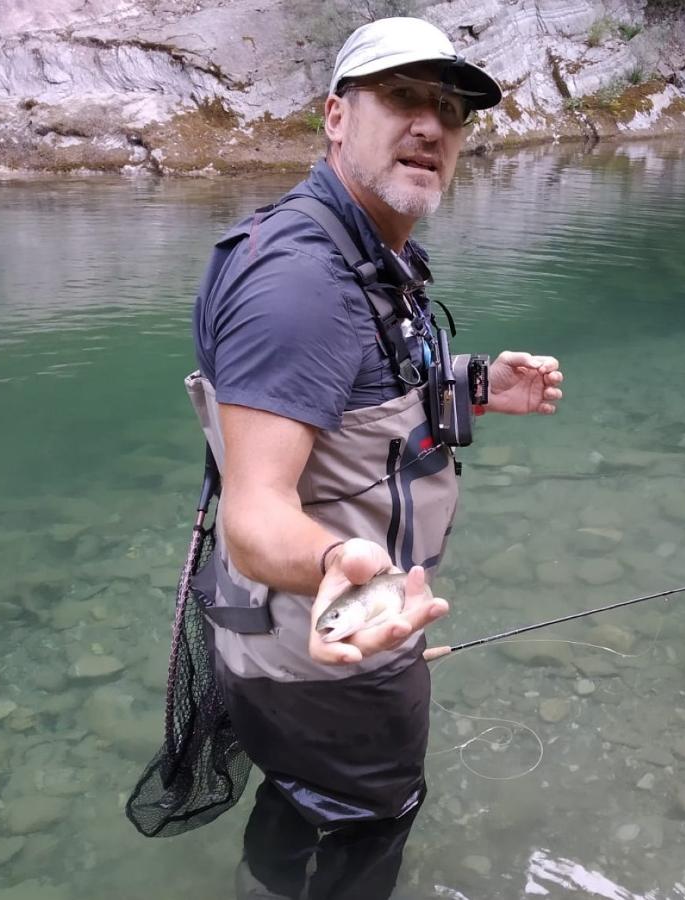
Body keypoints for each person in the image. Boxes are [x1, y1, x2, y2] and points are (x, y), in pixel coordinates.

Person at [187, 16, 564, 900]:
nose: (431, 125)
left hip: (328, 629)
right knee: (373, 817)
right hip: (330, 640)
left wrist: (470, 385)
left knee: (308, 796)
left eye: (450, 109)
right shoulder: (303, 284)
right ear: (335, 115)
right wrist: (339, 567)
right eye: (403, 97)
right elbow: (255, 515)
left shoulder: (364, 251)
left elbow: (346, 406)